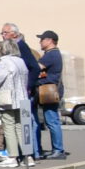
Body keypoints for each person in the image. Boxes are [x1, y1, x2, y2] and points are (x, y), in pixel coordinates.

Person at [0, 35, 34, 168]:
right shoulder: (21, 61)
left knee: (9, 126)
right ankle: (28, 156)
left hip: (8, 98)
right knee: (21, 127)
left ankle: (13, 157)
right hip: (22, 97)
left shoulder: (4, 62)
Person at [33, 29, 70, 159]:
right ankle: (57, 149)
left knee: (52, 121)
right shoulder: (53, 54)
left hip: (49, 91)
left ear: (50, 41)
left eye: (42, 39)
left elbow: (36, 68)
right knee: (52, 120)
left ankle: (58, 150)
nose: (40, 42)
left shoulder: (51, 55)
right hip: (51, 90)